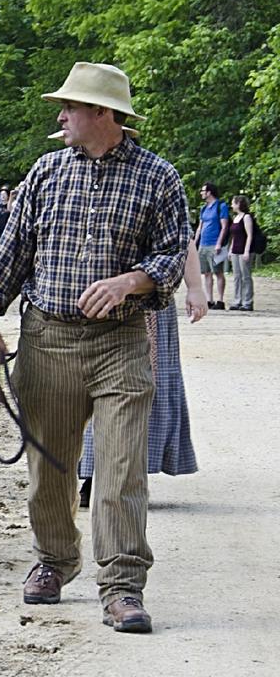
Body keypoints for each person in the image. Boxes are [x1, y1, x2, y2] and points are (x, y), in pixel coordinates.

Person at [0, 62, 189, 635]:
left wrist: (130, 281)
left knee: (120, 471)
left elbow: (171, 254)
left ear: (103, 113)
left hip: (120, 342)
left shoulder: (159, 178)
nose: (61, 116)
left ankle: (121, 587)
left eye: (70, 107)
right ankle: (55, 561)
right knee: (50, 471)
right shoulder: (44, 173)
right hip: (49, 339)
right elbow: (11, 254)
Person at [78, 237, 207, 507]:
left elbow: (184, 240)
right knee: (90, 387)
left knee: (140, 389)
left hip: (150, 305)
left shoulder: (160, 195)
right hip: (92, 295)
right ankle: (92, 474)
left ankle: (126, 478)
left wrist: (195, 288)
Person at [195, 181, 230, 309]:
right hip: (203, 244)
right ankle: (209, 300)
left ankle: (220, 300)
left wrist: (219, 243)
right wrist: (195, 243)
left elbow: (224, 226)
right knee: (206, 273)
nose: (201, 193)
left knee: (218, 272)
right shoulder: (203, 208)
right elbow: (200, 227)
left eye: (203, 191)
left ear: (209, 192)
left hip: (215, 244)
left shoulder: (221, 206)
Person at [228, 194, 257, 311]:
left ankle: (247, 302)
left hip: (244, 251)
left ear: (239, 204)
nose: (231, 205)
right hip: (235, 250)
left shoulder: (246, 217)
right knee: (237, 277)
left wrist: (246, 251)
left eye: (233, 203)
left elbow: (249, 235)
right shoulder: (235, 218)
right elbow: (234, 236)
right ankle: (237, 300)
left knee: (246, 276)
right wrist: (230, 250)